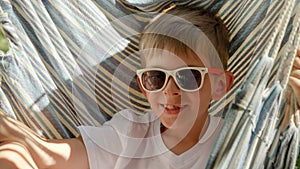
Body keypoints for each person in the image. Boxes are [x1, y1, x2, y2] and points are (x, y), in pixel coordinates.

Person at [0, 6, 299, 169]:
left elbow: (276, 122)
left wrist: (292, 92)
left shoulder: (234, 137)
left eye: (188, 77)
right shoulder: (132, 133)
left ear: (220, 85)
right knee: (12, 155)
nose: (170, 91)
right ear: (144, 87)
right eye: (156, 78)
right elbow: (55, 156)